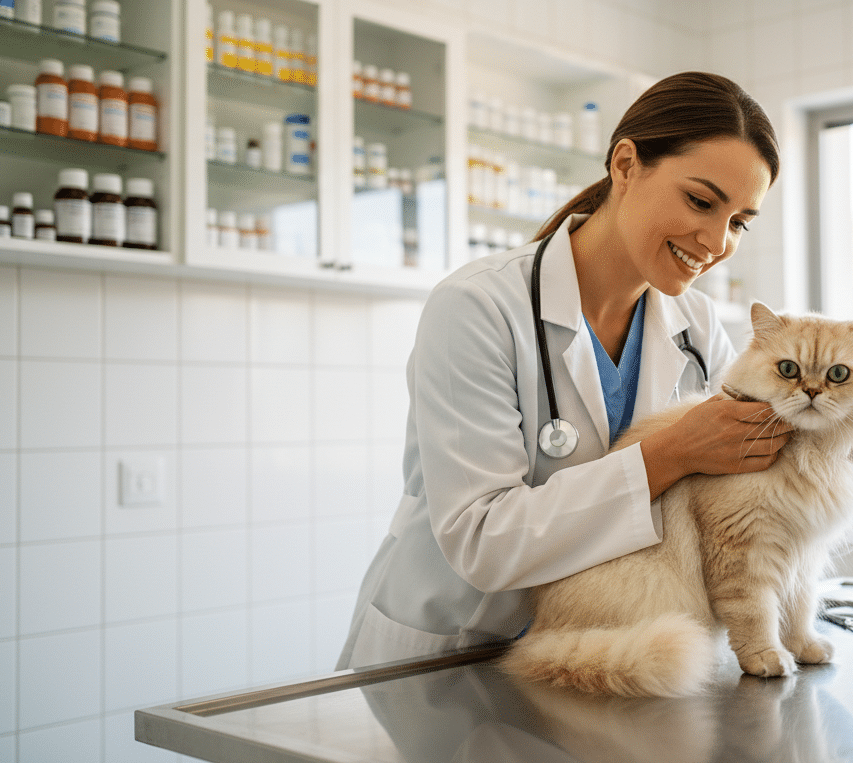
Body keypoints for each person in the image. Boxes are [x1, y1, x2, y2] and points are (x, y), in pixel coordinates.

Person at [336, 72, 789, 670]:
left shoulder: (697, 325)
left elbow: (726, 494)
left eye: (739, 221)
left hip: (602, 649)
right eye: (701, 202)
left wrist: (830, 444)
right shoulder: (478, 306)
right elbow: (482, 539)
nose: (717, 240)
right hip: (453, 653)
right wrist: (671, 453)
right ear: (626, 165)